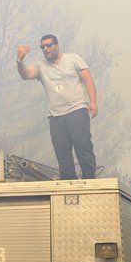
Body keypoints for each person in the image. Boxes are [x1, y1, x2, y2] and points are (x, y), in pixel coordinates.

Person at [16, 34, 98, 179]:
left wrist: (93, 102)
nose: (46, 49)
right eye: (43, 47)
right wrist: (19, 60)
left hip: (76, 109)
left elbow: (87, 79)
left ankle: (89, 180)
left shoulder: (73, 58)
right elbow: (25, 74)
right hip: (56, 116)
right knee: (62, 152)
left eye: (49, 45)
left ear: (57, 45)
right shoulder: (41, 66)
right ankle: (68, 183)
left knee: (82, 146)